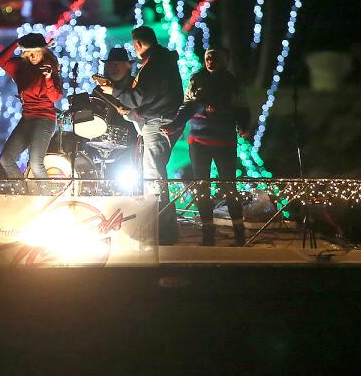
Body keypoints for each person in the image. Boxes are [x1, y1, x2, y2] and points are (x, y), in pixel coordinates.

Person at [99, 26, 183, 243]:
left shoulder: (153, 65)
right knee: (155, 176)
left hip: (157, 124)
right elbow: (152, 98)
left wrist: (113, 92)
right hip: (159, 120)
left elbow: (139, 97)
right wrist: (136, 113)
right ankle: (162, 229)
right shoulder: (163, 62)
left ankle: (161, 232)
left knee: (154, 179)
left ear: (137, 44)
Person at [163, 48, 253, 246]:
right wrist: (175, 124)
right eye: (207, 57)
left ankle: (239, 233)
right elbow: (188, 105)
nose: (210, 60)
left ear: (225, 60)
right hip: (199, 142)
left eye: (215, 57)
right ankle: (207, 233)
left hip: (224, 141)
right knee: (201, 186)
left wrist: (244, 126)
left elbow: (242, 108)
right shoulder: (197, 80)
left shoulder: (232, 82)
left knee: (229, 186)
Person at [0, 32, 64, 181]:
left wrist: (48, 78)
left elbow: (55, 97)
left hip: (45, 119)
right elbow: (0, 60)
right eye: (29, 53)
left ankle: (46, 200)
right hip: (27, 119)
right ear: (25, 53)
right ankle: (24, 196)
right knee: (6, 159)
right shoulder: (20, 68)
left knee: (35, 163)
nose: (33, 56)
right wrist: (17, 43)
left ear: (43, 51)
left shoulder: (49, 68)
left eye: (37, 52)